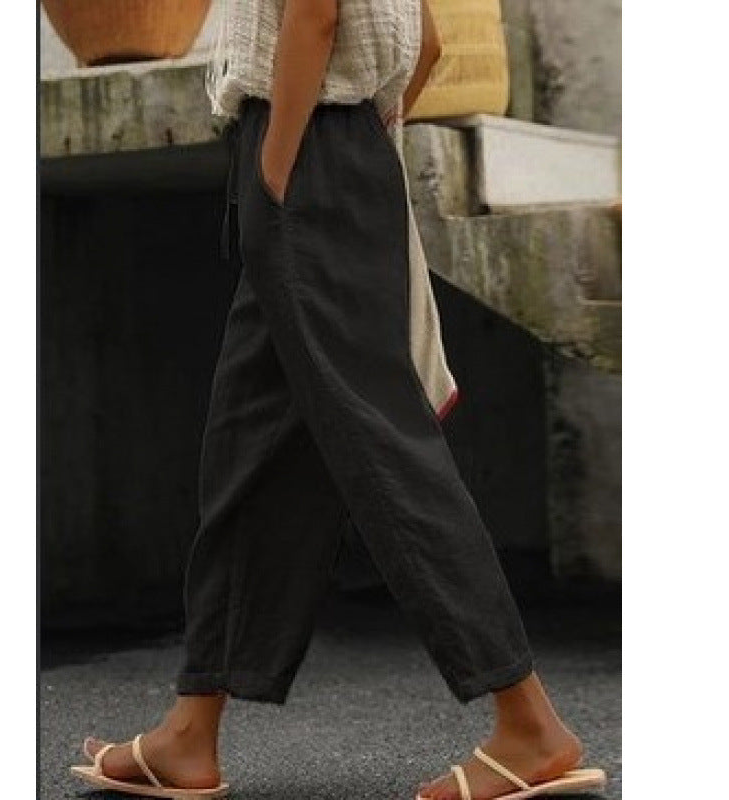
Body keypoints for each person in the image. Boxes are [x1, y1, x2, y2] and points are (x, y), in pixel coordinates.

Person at [70, 2, 607, 798]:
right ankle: (190, 730)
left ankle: (528, 723)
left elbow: (313, 14)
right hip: (347, 153)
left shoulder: (291, 152)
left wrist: (277, 167)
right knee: (249, 453)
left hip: (303, 157)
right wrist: (352, 141)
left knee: (386, 450)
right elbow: (427, 41)